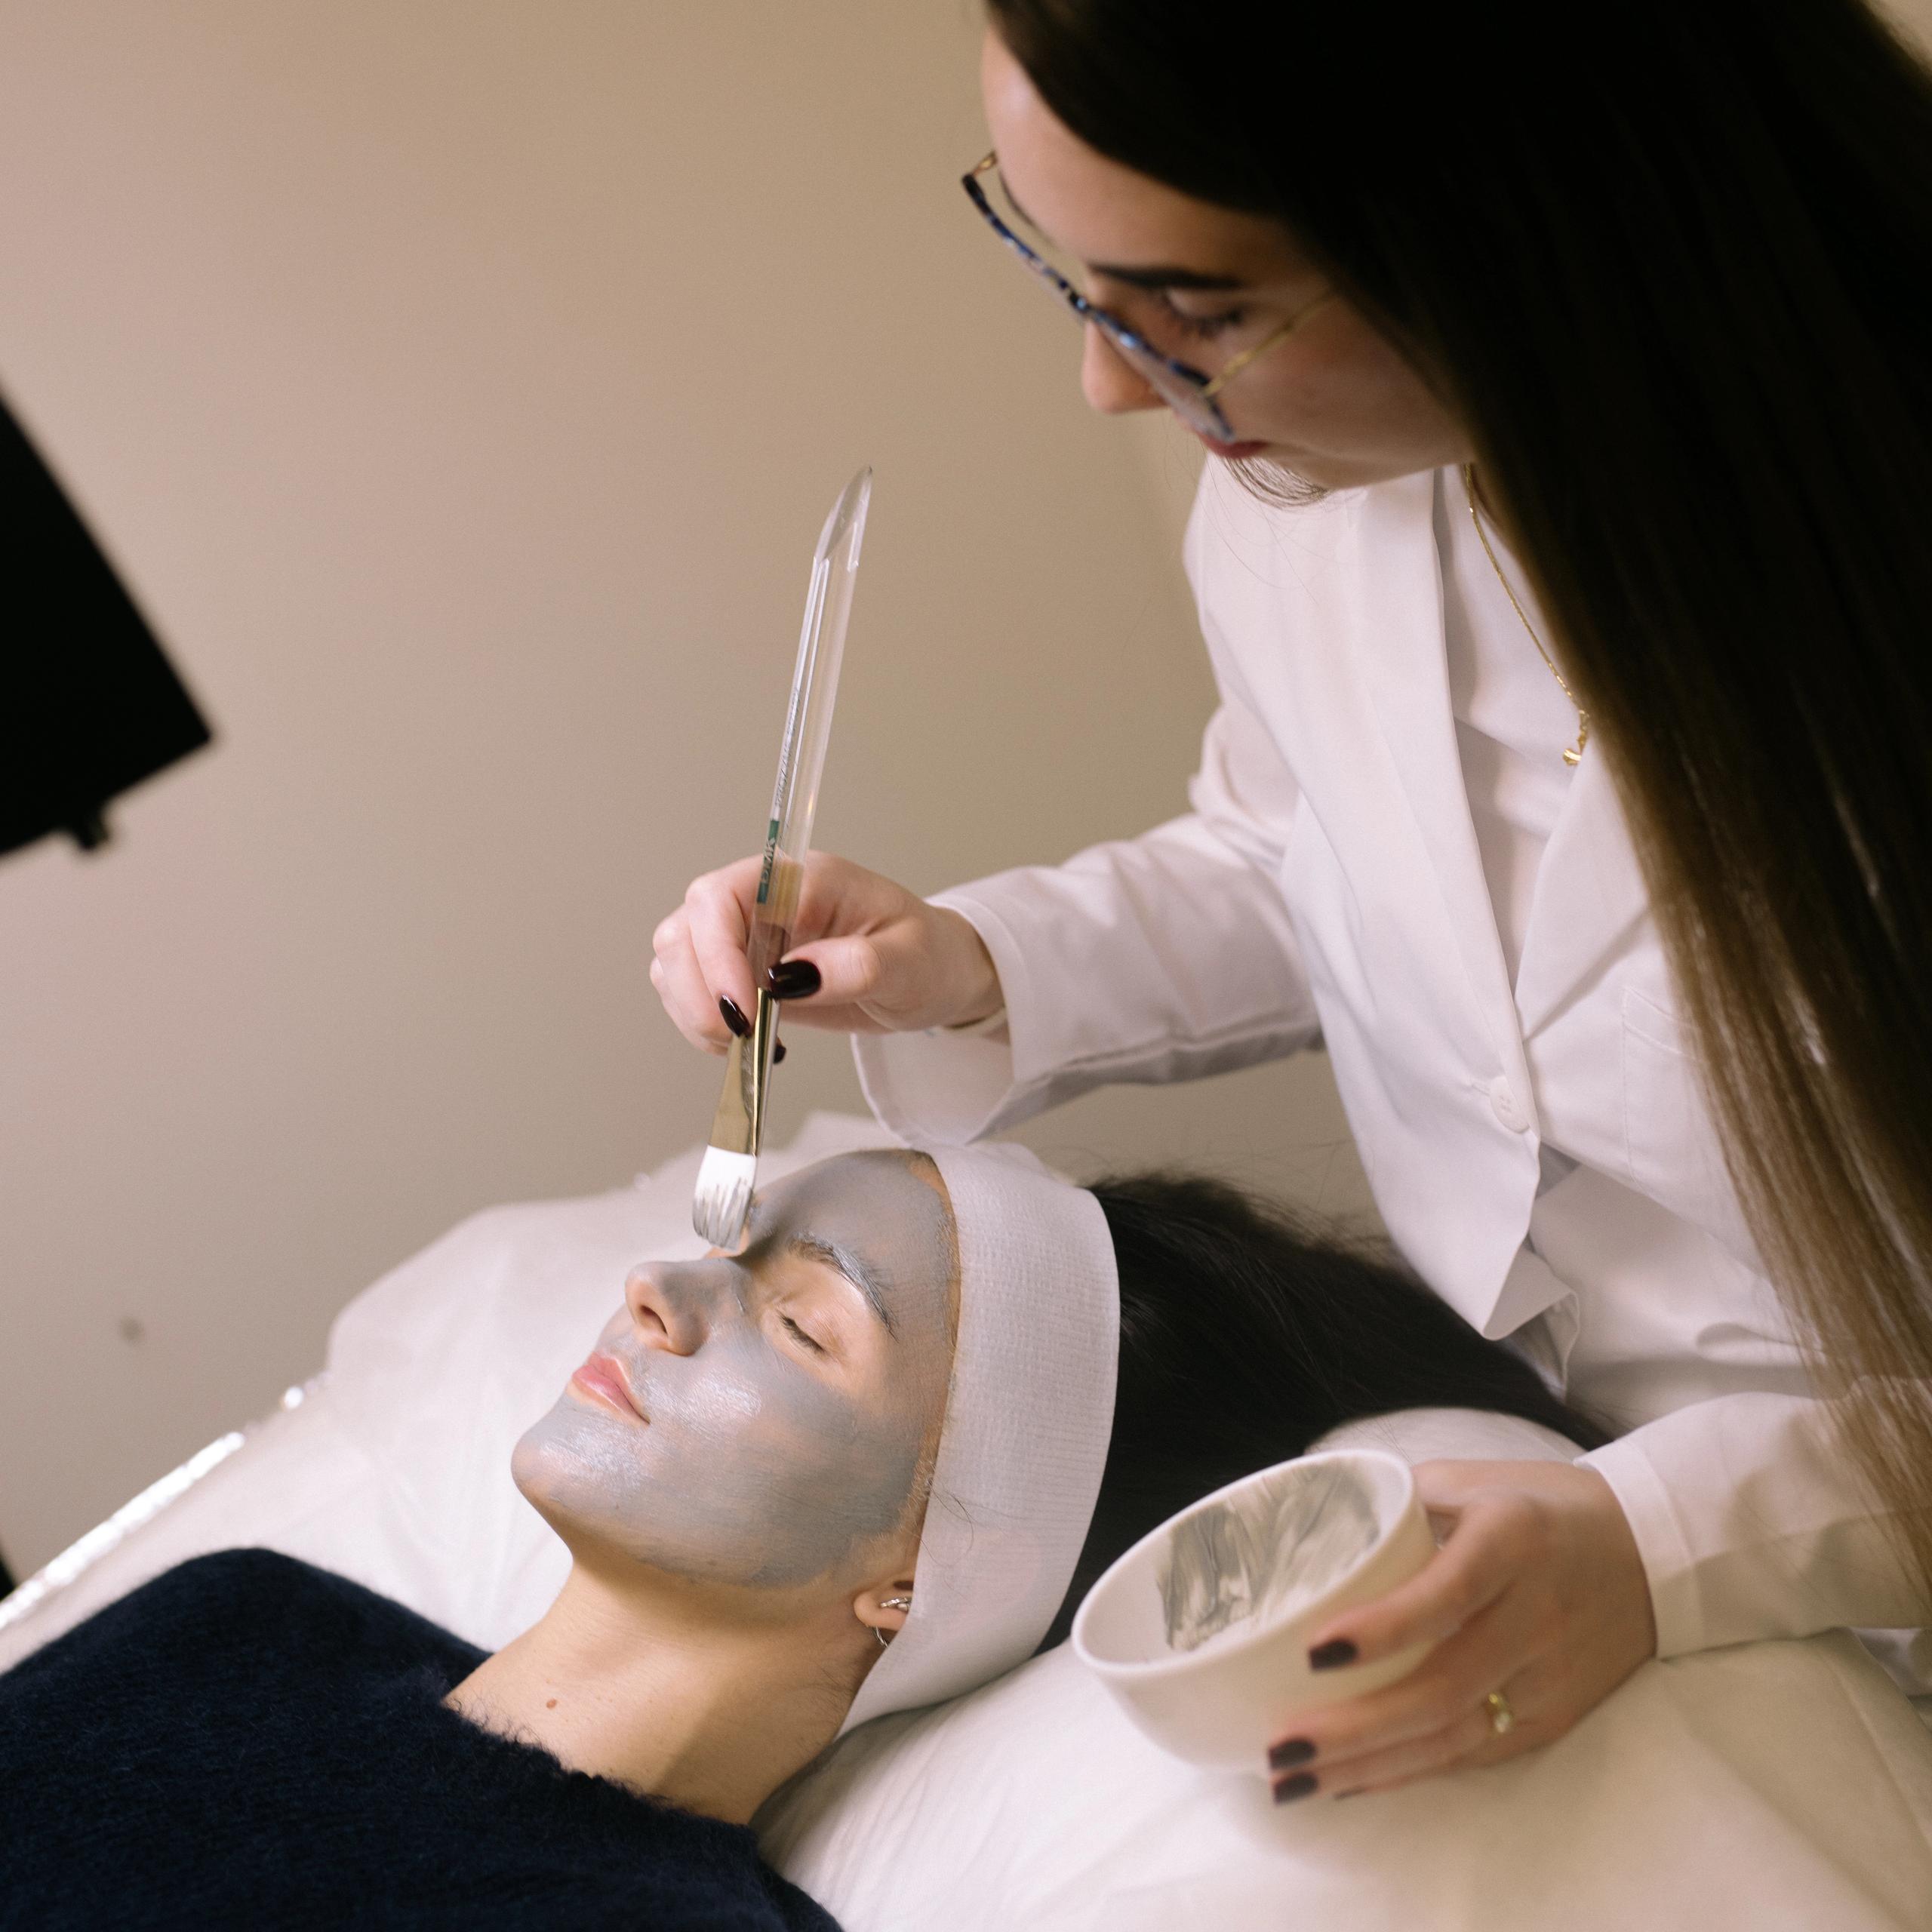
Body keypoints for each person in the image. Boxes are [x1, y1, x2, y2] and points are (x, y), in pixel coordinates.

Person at [650, 0, 1932, 1804]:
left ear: (1542, 225)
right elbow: (1292, 847)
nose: (1112, 381)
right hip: (1577, 1489)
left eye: (1204, 311)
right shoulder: (1311, 502)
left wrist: (1678, 1537)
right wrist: (963, 966)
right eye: (1067, 273)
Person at [0, 1146, 1598, 1924]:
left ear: (922, 1571)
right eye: (727, 1253)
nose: (658, 1288)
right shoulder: (250, 1619)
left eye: (800, 1317)